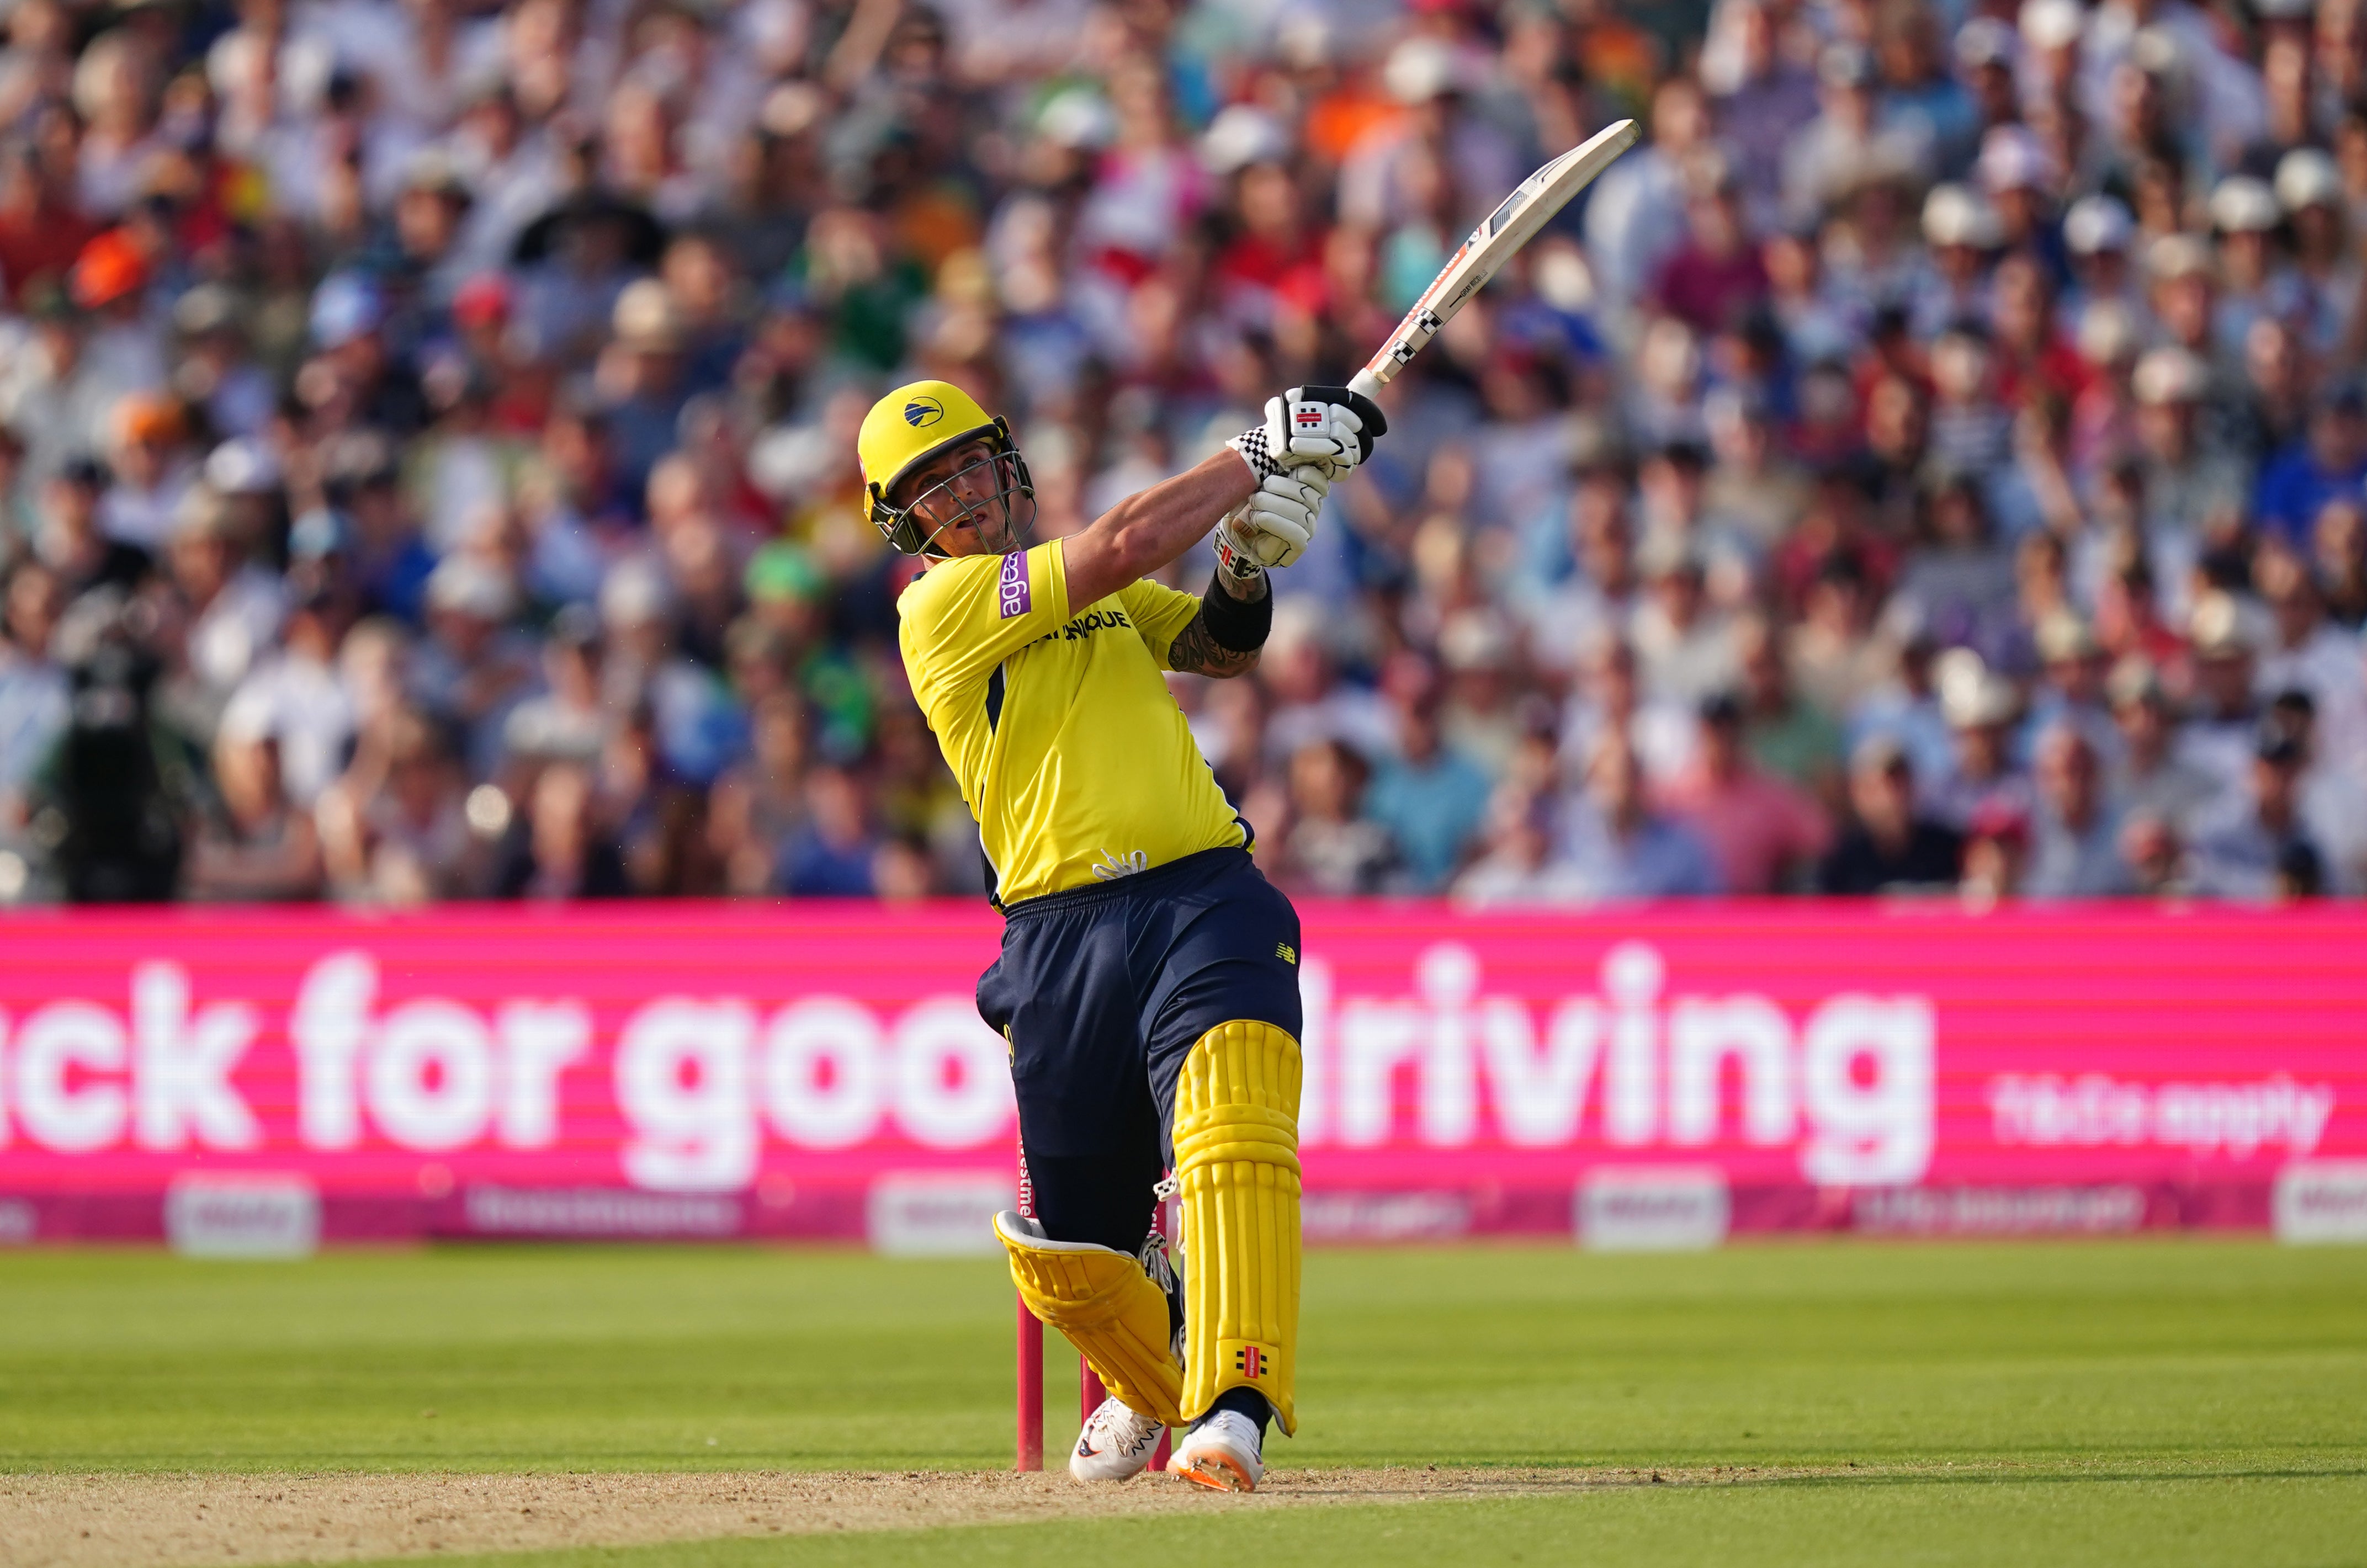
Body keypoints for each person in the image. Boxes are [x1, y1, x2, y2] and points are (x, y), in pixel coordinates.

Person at [868, 378, 1380, 1492]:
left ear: (1006, 465)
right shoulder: (941, 609)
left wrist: (1242, 567)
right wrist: (1253, 451)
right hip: (1056, 938)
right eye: (929, 489)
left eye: (966, 464)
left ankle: (1232, 1403)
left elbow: (1214, 645)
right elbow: (1128, 539)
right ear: (908, 526)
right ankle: (1153, 1381)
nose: (957, 494)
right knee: (1069, 1255)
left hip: (1202, 892)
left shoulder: (1088, 597)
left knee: (1230, 1126)